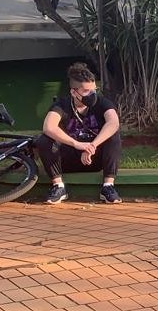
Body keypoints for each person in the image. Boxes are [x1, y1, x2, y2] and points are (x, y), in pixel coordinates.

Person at [35, 62, 122, 204]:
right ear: (73, 92)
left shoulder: (102, 102)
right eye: (87, 91)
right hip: (67, 159)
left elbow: (113, 122)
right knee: (45, 139)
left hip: (94, 157)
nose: (92, 94)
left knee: (113, 135)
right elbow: (48, 127)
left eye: (94, 90)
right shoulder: (62, 105)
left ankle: (108, 187)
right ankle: (58, 186)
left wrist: (92, 146)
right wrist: (77, 145)